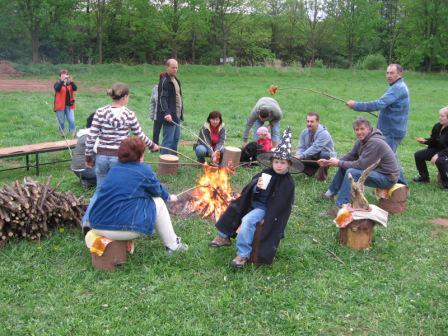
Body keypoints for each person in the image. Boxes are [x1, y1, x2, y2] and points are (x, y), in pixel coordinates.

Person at [209, 128, 300, 268]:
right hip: (254, 202)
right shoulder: (266, 172)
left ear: (289, 164)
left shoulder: (287, 182)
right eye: (276, 162)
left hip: (264, 209)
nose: (279, 166)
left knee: (247, 221)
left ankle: (243, 254)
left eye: (282, 163)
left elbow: (281, 204)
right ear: (272, 162)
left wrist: (268, 216)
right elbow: (252, 188)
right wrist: (256, 186)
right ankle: (224, 236)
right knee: (235, 206)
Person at [87, 137, 188, 253]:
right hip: (118, 229)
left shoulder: (114, 169)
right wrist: (169, 197)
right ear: (140, 155)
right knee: (158, 202)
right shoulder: (143, 170)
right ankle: (173, 245)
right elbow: (157, 191)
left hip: (96, 224)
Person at [85, 82, 158, 188]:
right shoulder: (129, 114)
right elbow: (139, 135)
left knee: (100, 190)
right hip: (119, 158)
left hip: (101, 158)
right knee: (118, 190)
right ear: (125, 97)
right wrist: (152, 145)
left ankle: (96, 205)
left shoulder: (100, 112)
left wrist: (88, 157)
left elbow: (91, 137)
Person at [319, 117, 399, 210]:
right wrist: (330, 162)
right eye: (357, 129)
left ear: (369, 129)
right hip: (377, 173)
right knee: (344, 166)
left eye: (362, 129)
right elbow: (351, 156)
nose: (359, 132)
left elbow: (361, 165)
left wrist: (338, 163)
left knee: (352, 172)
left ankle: (341, 206)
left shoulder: (374, 142)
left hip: (387, 178)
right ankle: (329, 194)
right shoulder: (361, 141)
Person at [346, 64, 410, 153]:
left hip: (391, 132)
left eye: (392, 73)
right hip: (391, 129)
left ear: (399, 74)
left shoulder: (397, 88)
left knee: (386, 158)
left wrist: (356, 105)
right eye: (387, 73)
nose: (389, 76)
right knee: (386, 157)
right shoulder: (398, 86)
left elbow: (379, 104)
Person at [413, 106, 448, 191]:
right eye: (439, 115)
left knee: (440, 160)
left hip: (445, 152)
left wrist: (437, 155)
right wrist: (425, 141)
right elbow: (434, 140)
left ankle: (446, 184)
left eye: (442, 116)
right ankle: (424, 178)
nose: (439, 118)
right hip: (438, 150)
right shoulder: (437, 126)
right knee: (418, 155)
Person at [295, 112, 335, 181]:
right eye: (308, 121)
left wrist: (301, 156)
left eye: (312, 122)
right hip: (312, 156)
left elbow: (315, 148)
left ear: (317, 122)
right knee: (298, 158)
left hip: (325, 156)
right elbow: (301, 147)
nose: (309, 124)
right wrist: (298, 156)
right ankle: (310, 172)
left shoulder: (324, 133)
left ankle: (322, 177)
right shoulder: (304, 132)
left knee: (324, 154)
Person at [156, 59, 183, 155]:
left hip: (177, 116)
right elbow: (162, 99)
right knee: (168, 141)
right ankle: (164, 164)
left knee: (175, 139)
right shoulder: (165, 81)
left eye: (176, 68)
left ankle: (172, 162)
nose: (175, 70)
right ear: (167, 68)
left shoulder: (176, 80)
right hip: (169, 117)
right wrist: (167, 113)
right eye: (173, 68)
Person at [71, 113, 96, 188]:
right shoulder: (92, 135)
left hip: (76, 169)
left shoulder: (84, 134)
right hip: (84, 169)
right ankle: (90, 182)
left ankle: (87, 181)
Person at [54, 69, 77, 137]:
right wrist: (61, 81)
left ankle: (72, 132)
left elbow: (75, 88)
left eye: (65, 74)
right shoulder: (58, 83)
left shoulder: (69, 84)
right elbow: (57, 88)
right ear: (60, 76)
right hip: (60, 106)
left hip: (69, 106)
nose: (65, 76)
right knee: (61, 121)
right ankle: (61, 132)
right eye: (63, 74)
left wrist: (71, 81)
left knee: (71, 120)